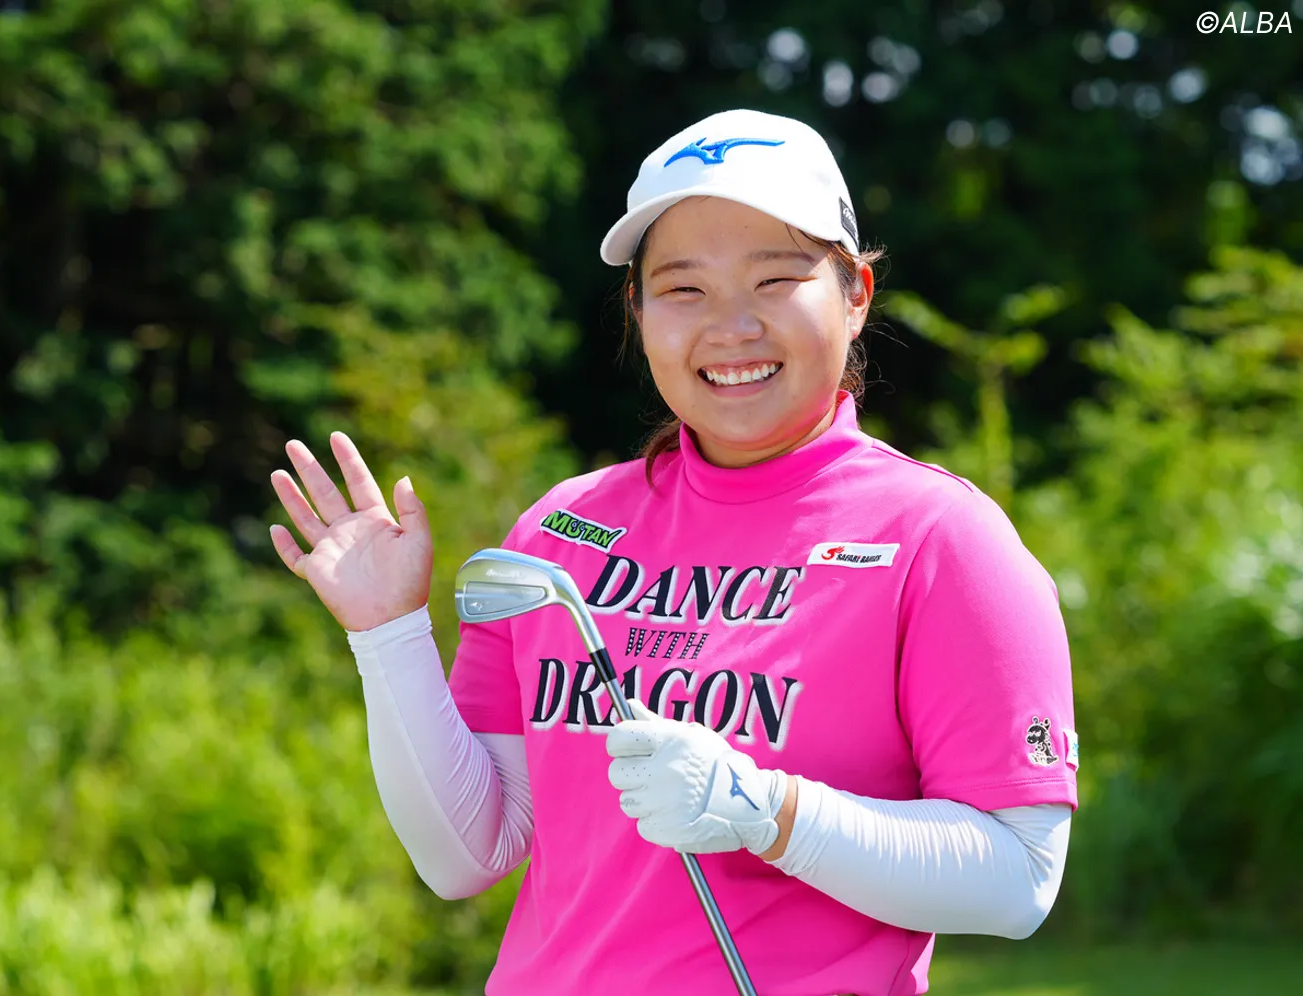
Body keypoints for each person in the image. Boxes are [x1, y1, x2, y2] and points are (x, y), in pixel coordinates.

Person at [268, 109, 1078, 996]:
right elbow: (469, 853)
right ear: (639, 312)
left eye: (775, 279)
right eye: (684, 288)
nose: (732, 326)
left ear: (855, 296)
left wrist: (767, 812)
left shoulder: (940, 541)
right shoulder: (561, 531)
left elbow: (1019, 879)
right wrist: (387, 633)